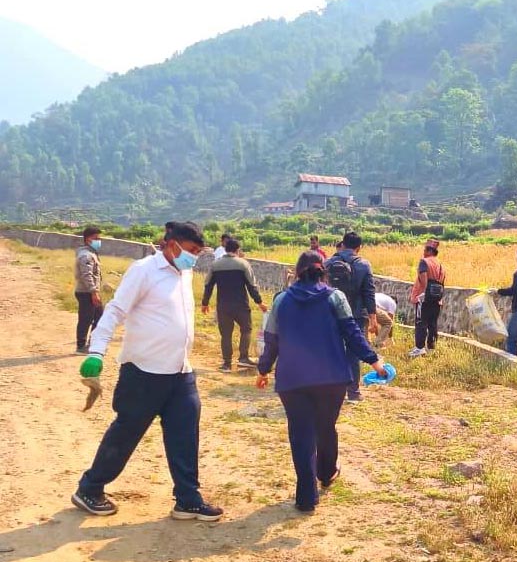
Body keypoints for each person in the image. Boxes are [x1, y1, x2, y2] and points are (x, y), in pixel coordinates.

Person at [71, 221, 223, 522]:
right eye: (191, 250)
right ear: (173, 245)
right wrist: (97, 352)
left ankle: (188, 499)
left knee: (185, 435)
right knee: (126, 433)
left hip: (180, 371)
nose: (194, 257)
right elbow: (115, 311)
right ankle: (90, 488)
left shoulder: (184, 273)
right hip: (144, 372)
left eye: (198, 252)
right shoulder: (144, 271)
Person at [256, 251, 387, 513]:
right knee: (326, 426)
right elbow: (352, 333)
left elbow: (271, 340)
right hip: (331, 378)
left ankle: (306, 496)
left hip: (293, 379)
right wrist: (374, 361)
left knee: (300, 433)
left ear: (297, 272)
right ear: (323, 272)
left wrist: (263, 369)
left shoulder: (281, 300)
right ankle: (326, 473)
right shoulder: (335, 297)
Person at [324, 231, 377, 402]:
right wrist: (373, 318)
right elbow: (369, 293)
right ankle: (353, 392)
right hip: (355, 314)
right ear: (359, 247)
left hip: (331, 313)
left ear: (343, 244)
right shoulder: (364, 265)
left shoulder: (327, 263)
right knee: (353, 352)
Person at [201, 238, 268, 371]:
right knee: (246, 329)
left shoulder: (216, 265)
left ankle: (226, 364)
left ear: (225, 249)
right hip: (241, 305)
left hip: (223, 305)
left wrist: (205, 303)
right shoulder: (243, 264)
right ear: (238, 250)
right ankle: (243, 358)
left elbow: (208, 285)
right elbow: (251, 286)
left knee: (226, 334)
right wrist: (259, 302)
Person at [409, 238, 445, 358]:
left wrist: (422, 294)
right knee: (432, 324)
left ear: (429, 251)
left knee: (421, 322)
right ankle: (431, 347)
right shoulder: (440, 265)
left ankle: (419, 348)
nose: (423, 252)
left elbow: (424, 280)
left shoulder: (424, 262)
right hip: (437, 299)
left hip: (424, 299)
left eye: (425, 250)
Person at [74, 225, 104, 354]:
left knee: (99, 316)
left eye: (99, 238)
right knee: (86, 319)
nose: (98, 241)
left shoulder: (91, 253)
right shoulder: (86, 255)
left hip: (90, 291)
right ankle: (81, 346)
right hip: (86, 292)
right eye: (95, 238)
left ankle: (92, 343)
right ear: (87, 239)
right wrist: (94, 292)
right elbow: (87, 275)